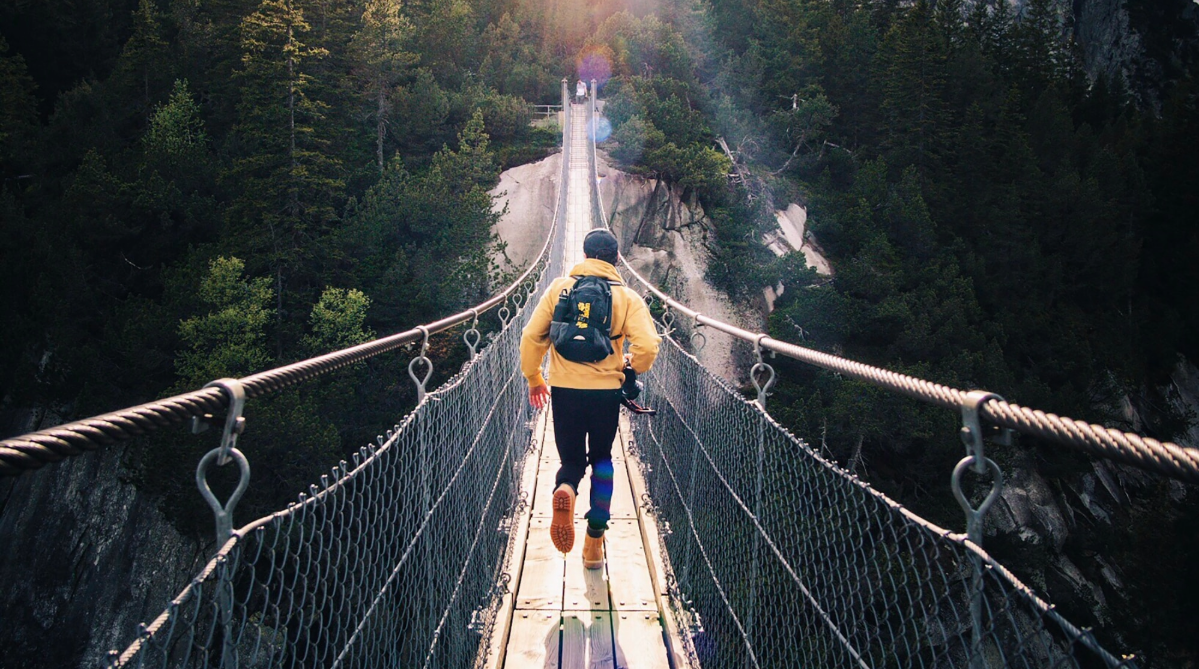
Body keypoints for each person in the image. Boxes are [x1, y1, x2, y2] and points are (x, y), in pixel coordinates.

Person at [519, 229, 660, 568]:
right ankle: (594, 543)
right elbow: (648, 348)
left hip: (565, 390)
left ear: (584, 256)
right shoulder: (627, 298)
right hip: (605, 395)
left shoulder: (559, 289)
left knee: (571, 460)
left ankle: (565, 487)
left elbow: (531, 336)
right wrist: (629, 366)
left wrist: (534, 377)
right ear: (616, 259)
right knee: (602, 462)